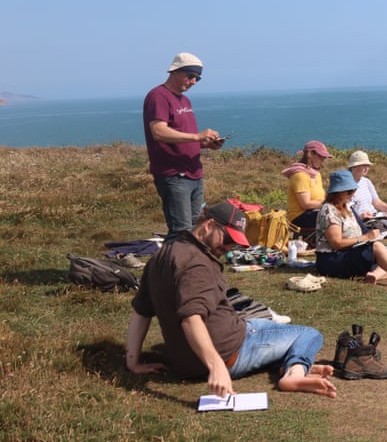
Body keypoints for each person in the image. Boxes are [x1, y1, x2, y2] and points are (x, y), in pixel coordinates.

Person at [124, 200, 337, 399]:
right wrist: (216, 367)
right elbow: (191, 318)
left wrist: (133, 363)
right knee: (309, 334)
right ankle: (294, 373)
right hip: (230, 353)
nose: (228, 248)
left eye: (233, 244)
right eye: (227, 239)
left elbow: (142, 311)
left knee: (263, 326)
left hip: (187, 364)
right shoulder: (197, 265)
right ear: (208, 226)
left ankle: (288, 363)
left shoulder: (162, 256)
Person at [142, 53, 225, 236]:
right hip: (174, 174)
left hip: (194, 172)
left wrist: (205, 144)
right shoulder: (158, 96)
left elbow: (181, 137)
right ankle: (172, 263)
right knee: (181, 230)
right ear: (176, 71)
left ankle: (186, 262)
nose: (193, 81)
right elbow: (159, 132)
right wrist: (197, 137)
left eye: (197, 78)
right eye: (190, 76)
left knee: (195, 227)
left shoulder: (184, 100)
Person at [314, 169, 387, 291]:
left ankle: (373, 276)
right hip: (331, 259)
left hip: (348, 253)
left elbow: (363, 230)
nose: (353, 195)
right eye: (349, 192)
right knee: (381, 253)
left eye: (353, 191)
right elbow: (336, 243)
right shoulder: (329, 210)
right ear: (338, 192)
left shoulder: (347, 207)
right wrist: (365, 238)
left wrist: (372, 236)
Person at [283, 140, 331, 236]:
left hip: (314, 212)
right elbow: (306, 204)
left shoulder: (316, 175)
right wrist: (329, 203)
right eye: (321, 157)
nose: (323, 160)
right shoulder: (300, 175)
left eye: (324, 158)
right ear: (310, 154)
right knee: (334, 216)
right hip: (299, 216)